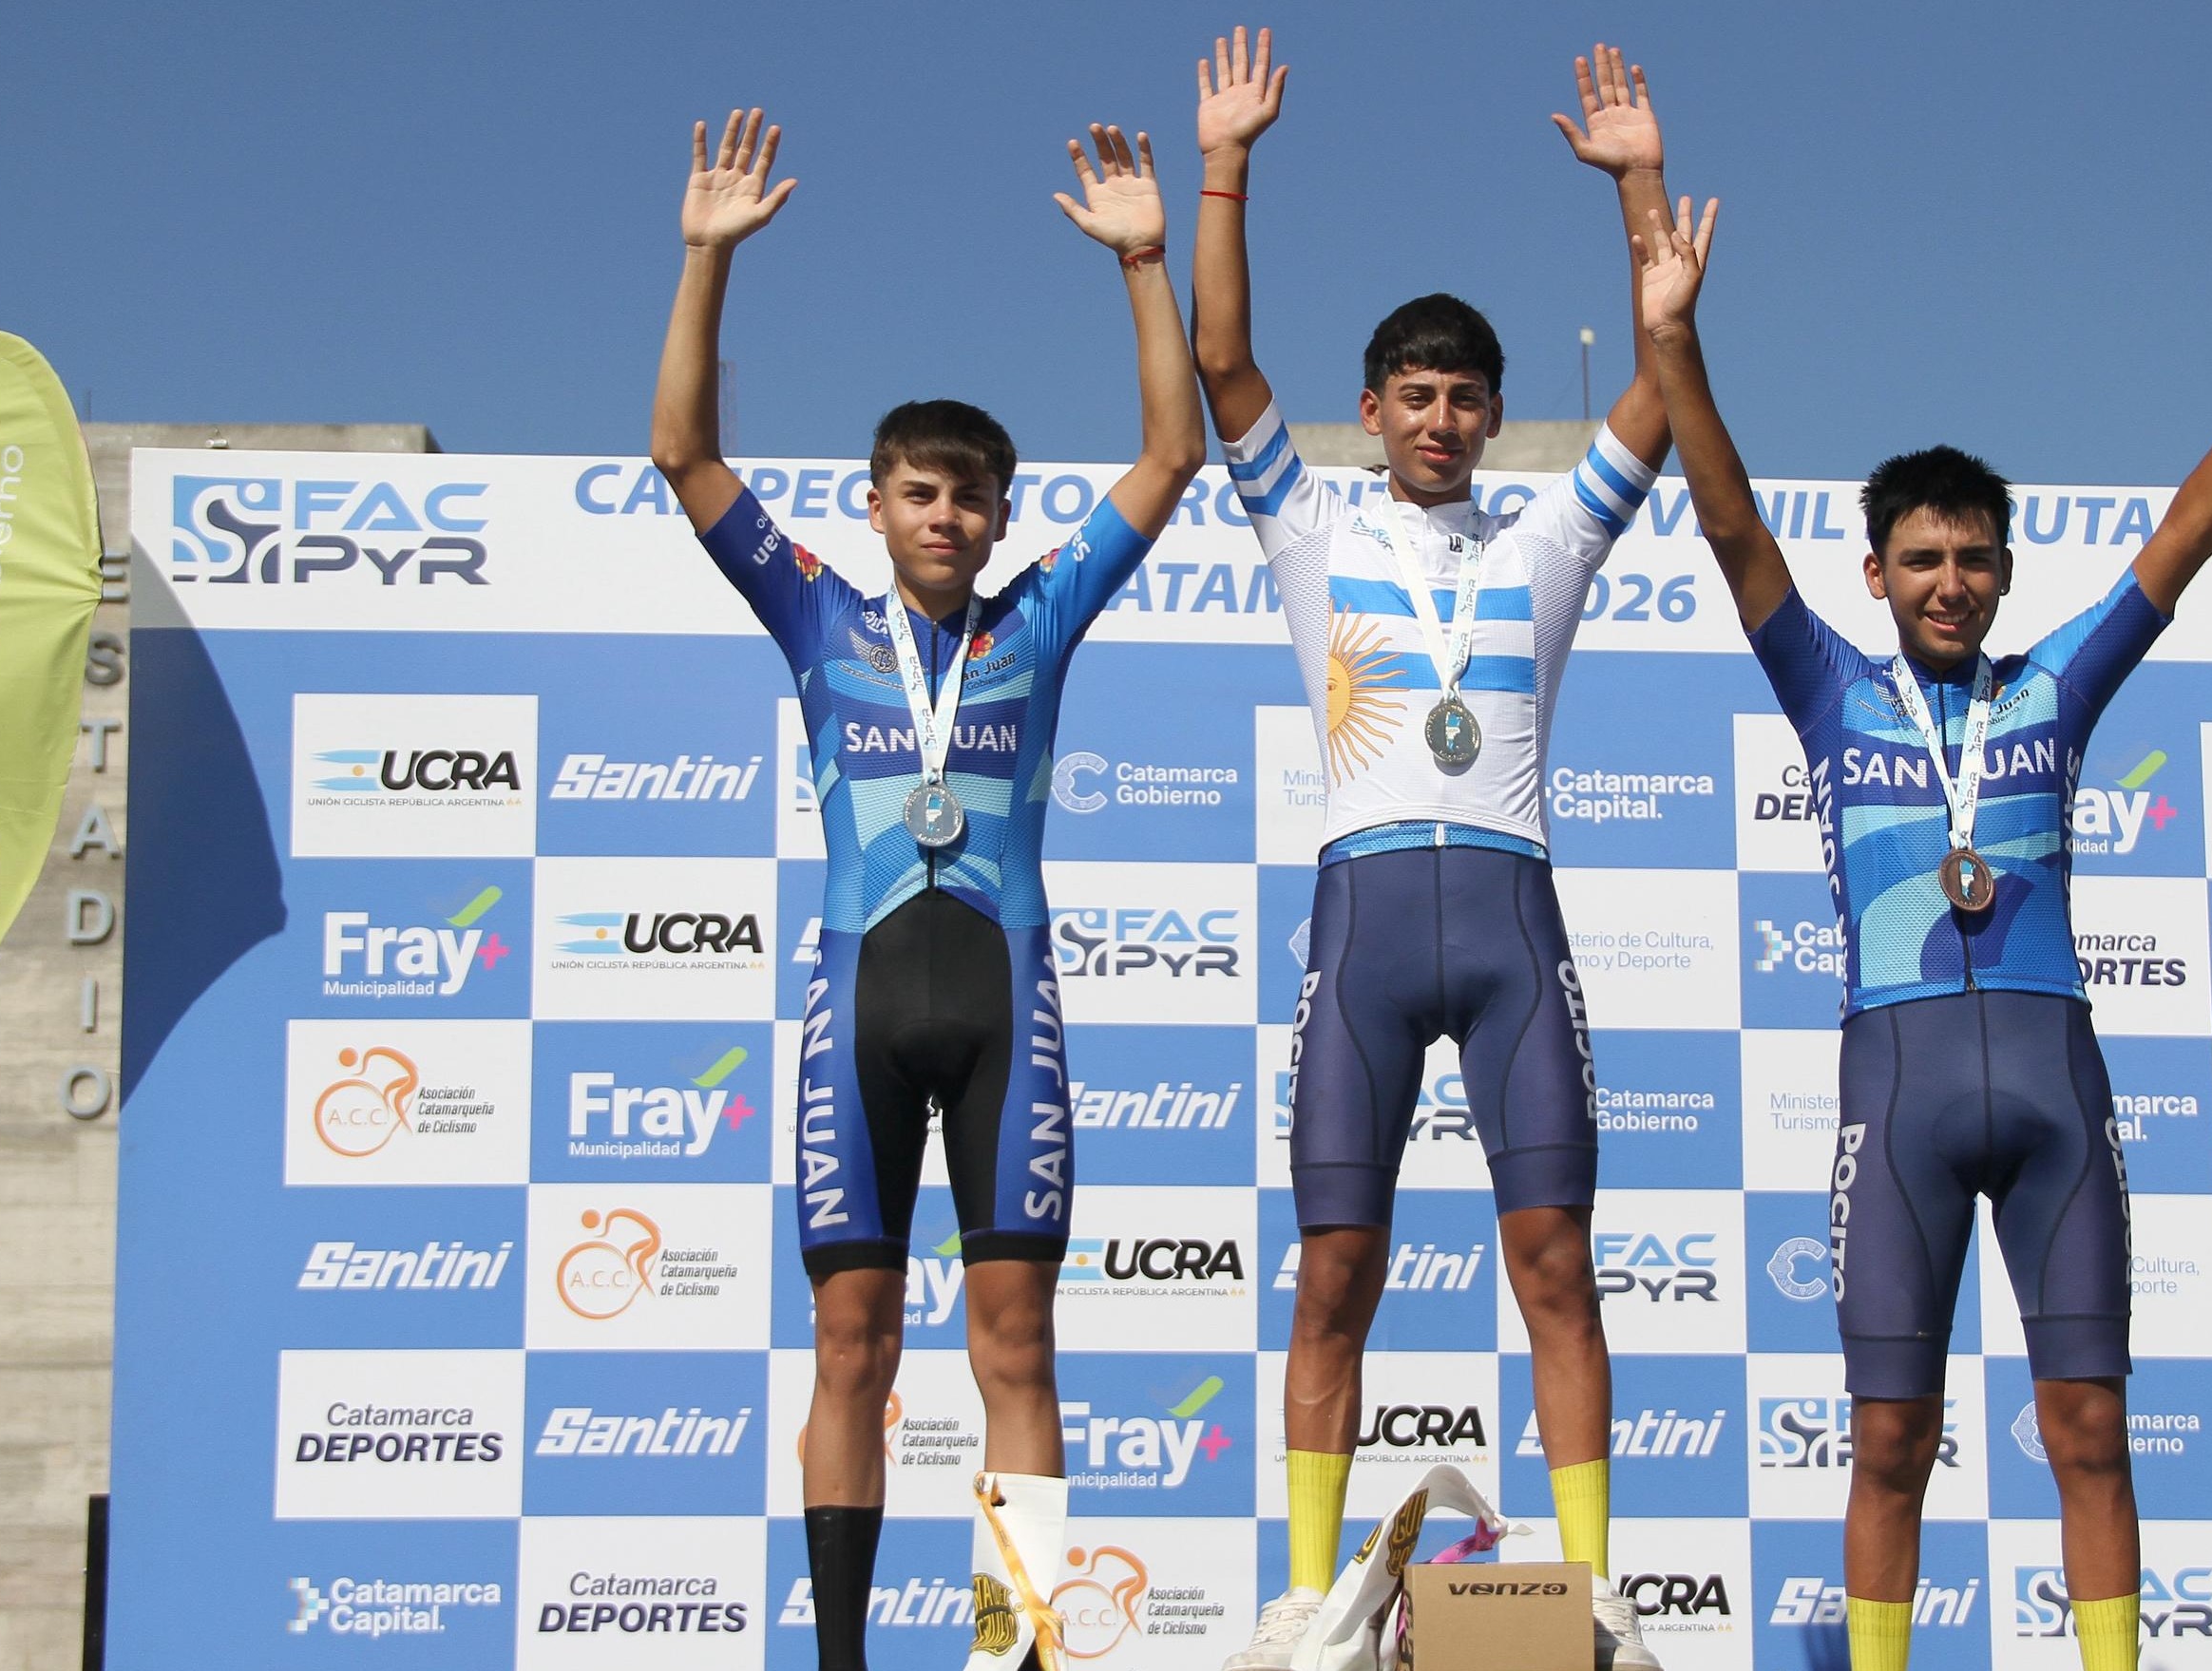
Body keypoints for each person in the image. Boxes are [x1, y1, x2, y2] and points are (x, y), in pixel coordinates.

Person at [1634, 195, 2212, 1671]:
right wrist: (1676, 341)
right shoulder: (1831, 692)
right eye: (1920, 559)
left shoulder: (2057, 688)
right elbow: (1725, 519)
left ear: (2004, 571)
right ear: (1875, 574)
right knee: (1891, 1438)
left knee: (2090, 1424)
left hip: (2053, 1089)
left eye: (1972, 558)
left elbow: (2184, 539)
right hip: (1896, 1098)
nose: (1949, 582)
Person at [649, 107, 1206, 1671]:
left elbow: (1171, 455)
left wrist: (1145, 262)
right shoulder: (817, 615)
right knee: (851, 1342)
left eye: (969, 497)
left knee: (1016, 1339)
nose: (944, 518)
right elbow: (683, 455)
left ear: (1002, 516)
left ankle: (1015, 1649)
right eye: (916, 494)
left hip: (1006, 1003)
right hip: (859, 1005)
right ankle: (837, 1660)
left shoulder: (1039, 619)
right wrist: (707, 263)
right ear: (875, 506)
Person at [1187, 28, 1676, 1671]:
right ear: (1374, 408)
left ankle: (1593, 1589)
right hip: (1367, 915)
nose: (1444, 419)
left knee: (1556, 1262)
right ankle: (1310, 1596)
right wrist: (1226, 167)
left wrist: (1640, 192)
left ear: (1493, 414)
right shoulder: (1310, 524)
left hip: (1515, 924)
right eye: (1417, 394)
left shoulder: (1545, 537)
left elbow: (1660, 394)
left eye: (1469, 397)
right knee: (1337, 1266)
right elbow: (1220, 364)